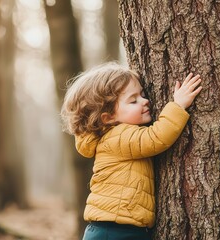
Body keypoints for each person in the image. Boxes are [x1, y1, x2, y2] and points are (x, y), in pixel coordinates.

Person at [60, 62, 203, 240]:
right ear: (108, 117)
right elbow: (156, 137)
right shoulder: (117, 137)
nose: (145, 101)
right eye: (133, 100)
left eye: (142, 95)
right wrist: (178, 105)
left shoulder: (114, 137)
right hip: (114, 230)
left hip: (117, 228)